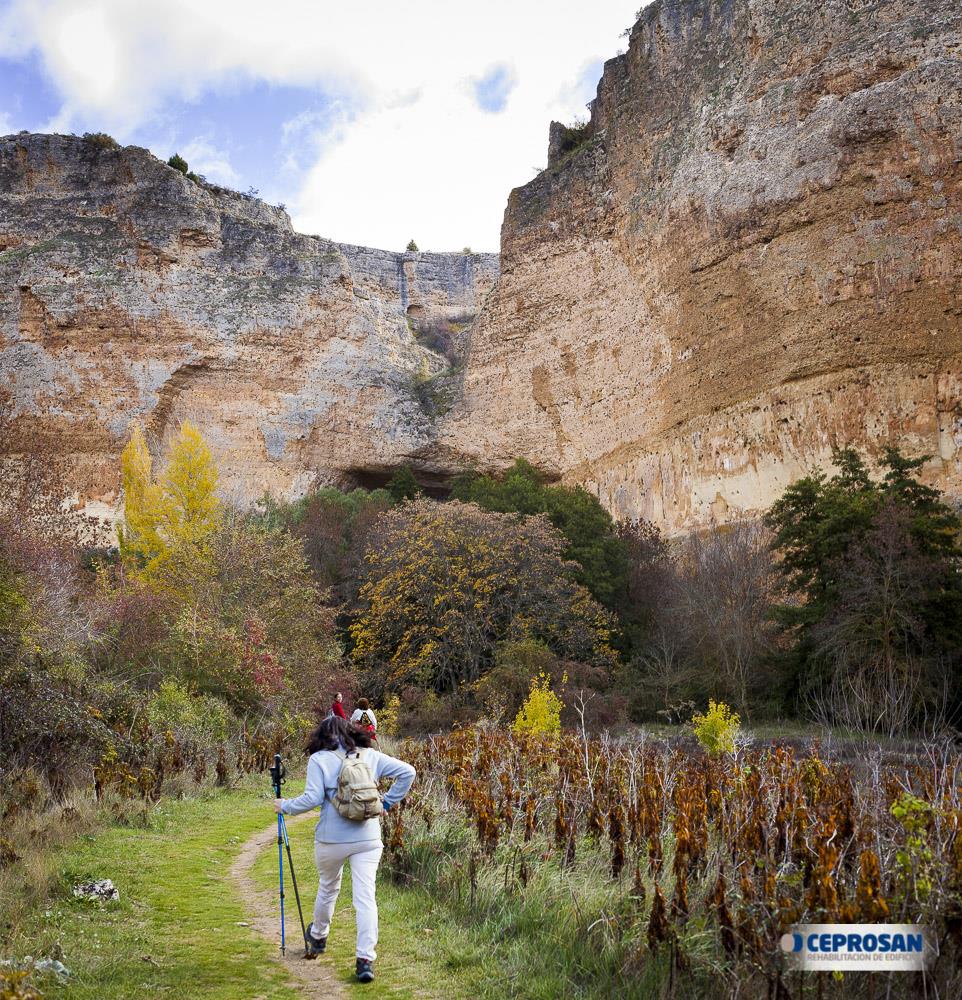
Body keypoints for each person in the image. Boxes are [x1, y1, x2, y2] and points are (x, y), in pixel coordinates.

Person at [274, 715, 415, 984]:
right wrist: (386, 804)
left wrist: (285, 806)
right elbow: (408, 772)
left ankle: (318, 937)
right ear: (350, 732)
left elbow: (313, 798)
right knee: (365, 897)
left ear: (321, 736)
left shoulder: (319, 759)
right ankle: (365, 960)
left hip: (331, 840)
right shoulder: (369, 756)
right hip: (368, 838)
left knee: (328, 887)